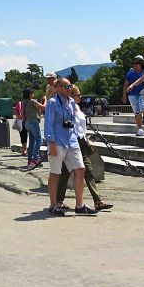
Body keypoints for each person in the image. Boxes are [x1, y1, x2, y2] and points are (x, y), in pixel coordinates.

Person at [56, 86, 111, 212]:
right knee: (65, 172)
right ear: (71, 96)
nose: (80, 97)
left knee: (88, 170)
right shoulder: (66, 108)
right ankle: (59, 201)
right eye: (78, 95)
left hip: (81, 141)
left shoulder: (77, 108)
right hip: (71, 141)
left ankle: (97, 201)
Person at [44, 78, 92, 216]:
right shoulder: (52, 103)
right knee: (55, 173)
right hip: (58, 141)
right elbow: (48, 124)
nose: (69, 88)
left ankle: (80, 205)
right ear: (57, 87)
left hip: (71, 140)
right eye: (66, 86)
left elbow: (72, 122)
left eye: (70, 86)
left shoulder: (71, 102)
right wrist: (51, 143)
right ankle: (53, 204)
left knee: (80, 169)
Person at [122, 56, 144, 137]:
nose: (134, 65)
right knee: (137, 112)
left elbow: (143, 80)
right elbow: (126, 84)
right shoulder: (130, 73)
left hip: (143, 92)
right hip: (132, 94)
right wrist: (124, 95)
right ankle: (140, 129)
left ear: (141, 64)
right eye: (133, 63)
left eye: (136, 64)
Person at [21, 88, 45, 168]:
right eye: (33, 93)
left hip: (27, 122)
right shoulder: (32, 101)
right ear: (30, 94)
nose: (34, 94)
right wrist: (46, 100)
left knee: (31, 142)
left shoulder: (23, 102)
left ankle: (30, 160)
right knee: (39, 141)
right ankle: (35, 159)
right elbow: (42, 107)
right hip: (33, 122)